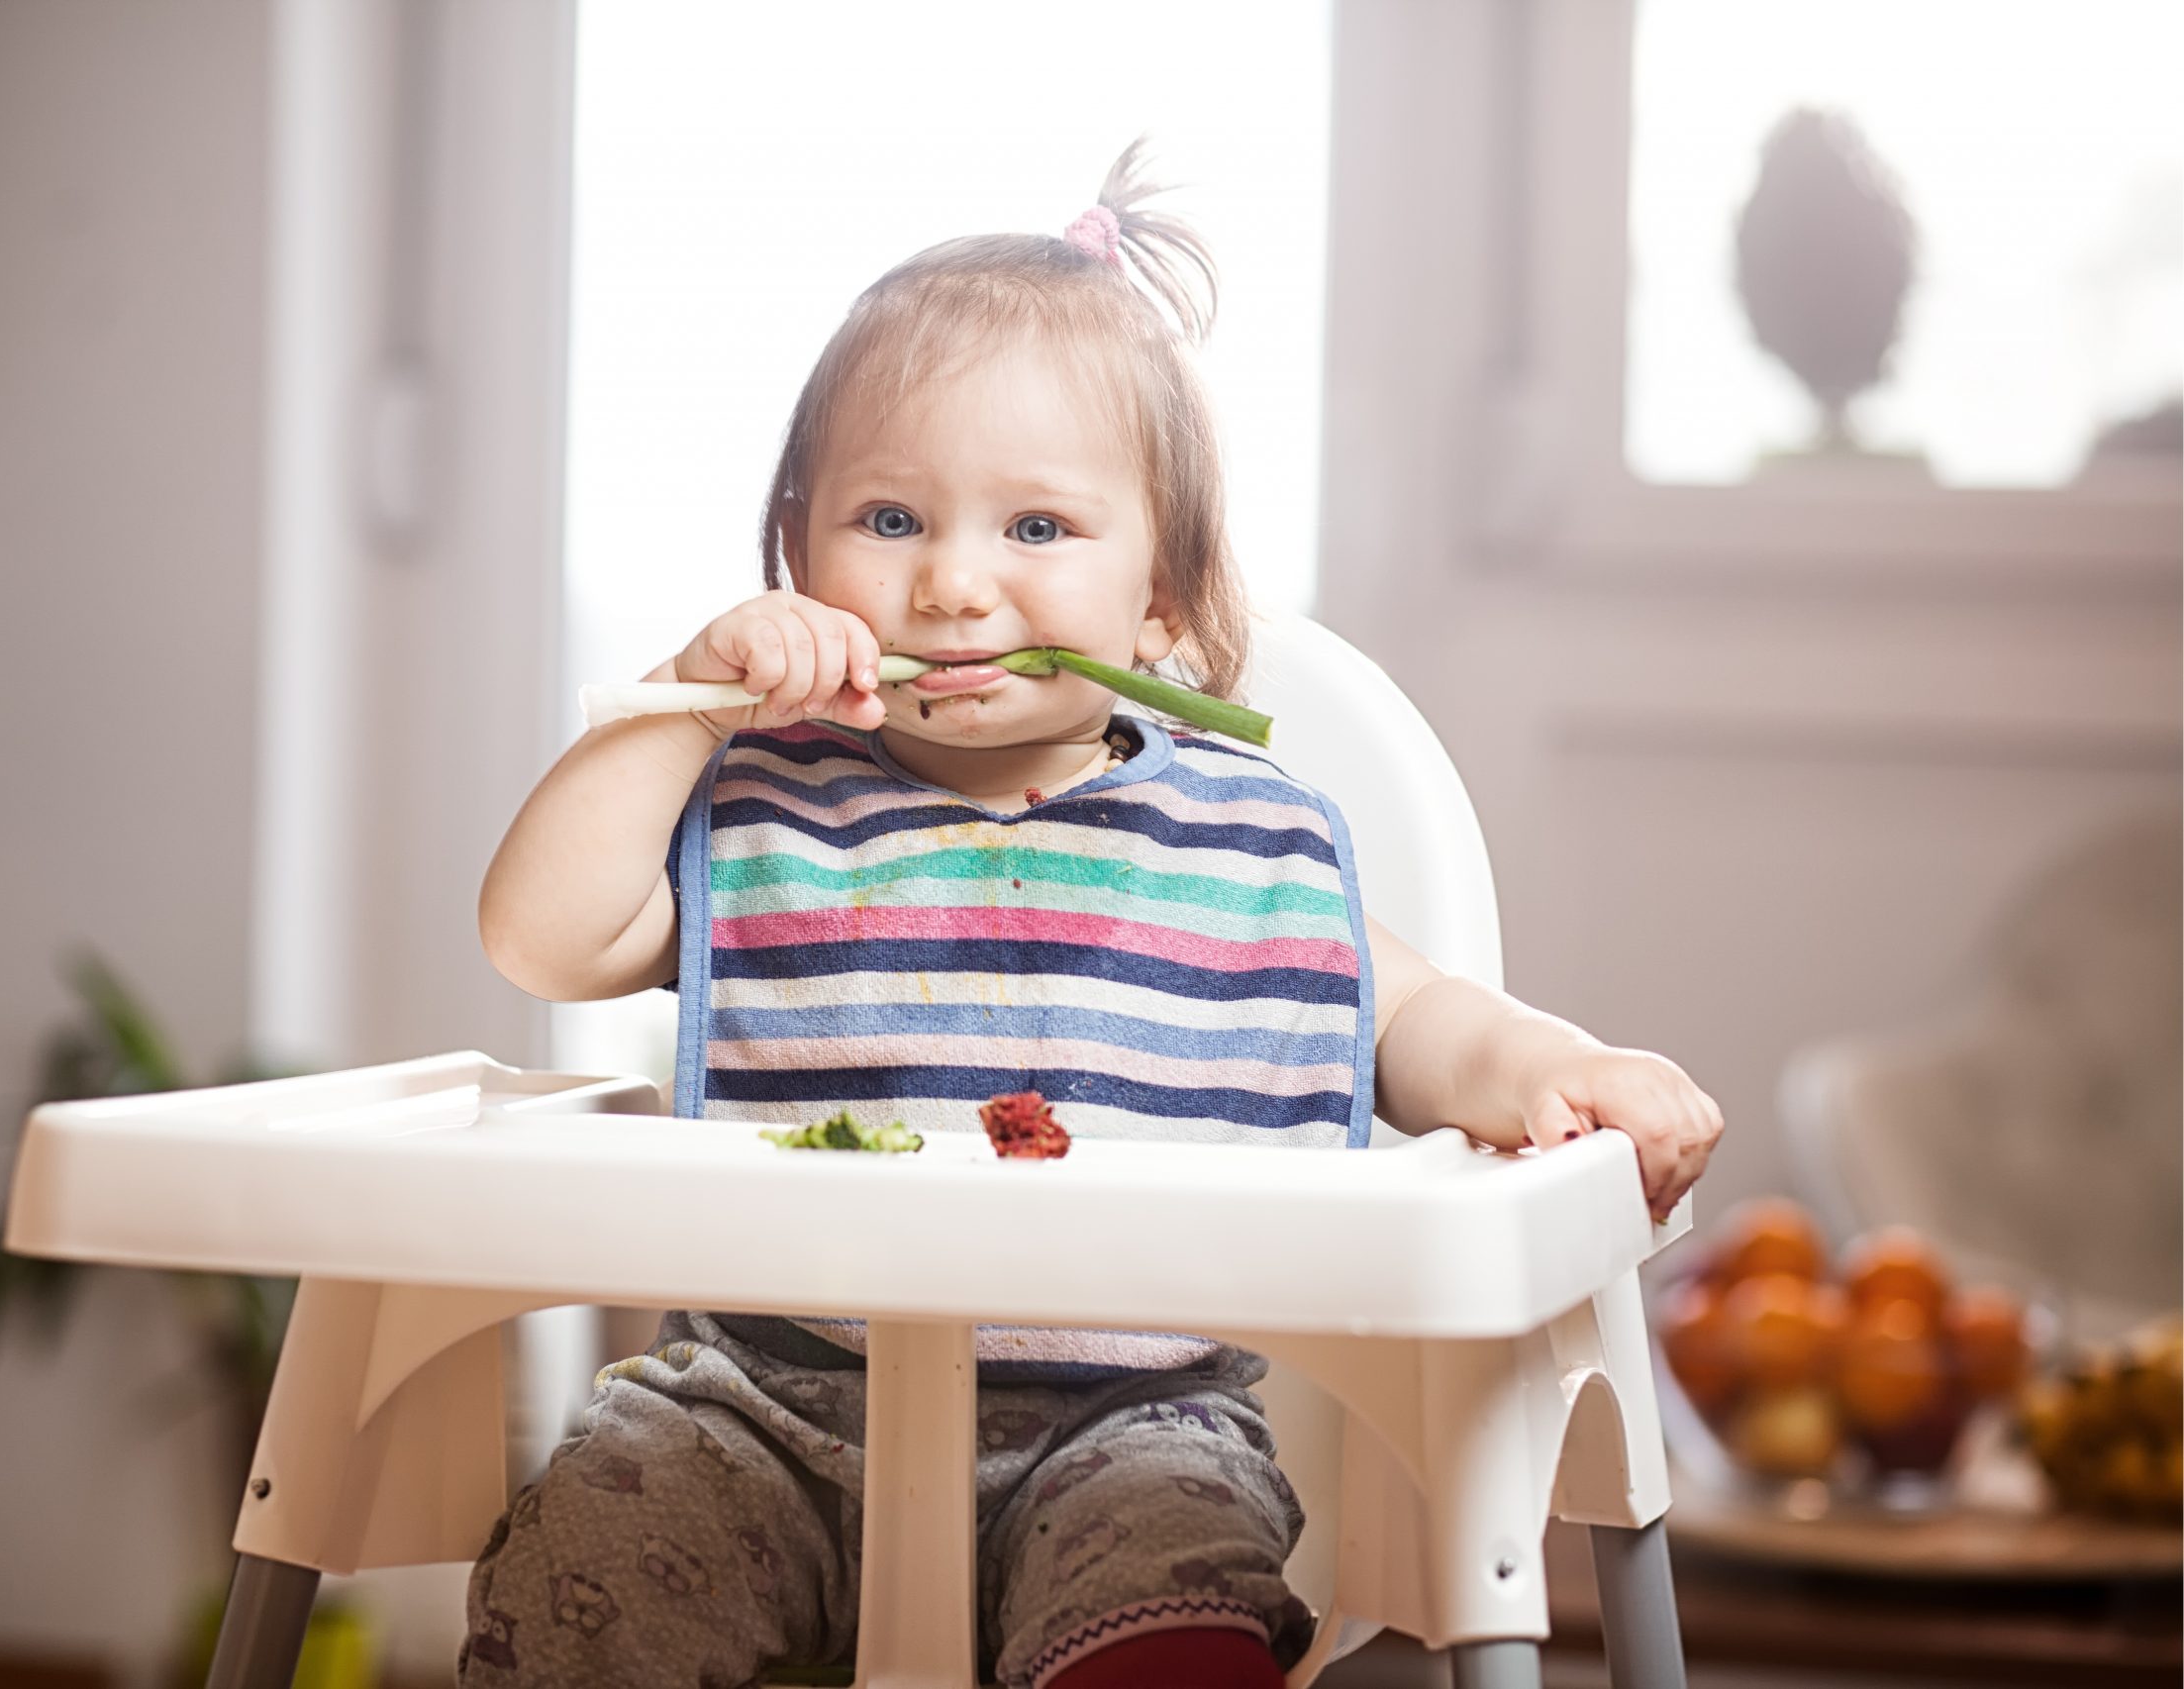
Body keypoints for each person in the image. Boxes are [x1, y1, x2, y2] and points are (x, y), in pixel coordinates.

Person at [466, 141, 1723, 1689]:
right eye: (889, 519)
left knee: (1175, 1612)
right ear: (796, 548)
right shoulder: (768, 806)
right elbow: (538, 935)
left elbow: (1405, 1017)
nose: (952, 586)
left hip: (1126, 1429)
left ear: (1168, 604)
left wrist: (1552, 1066)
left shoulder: (1237, 846)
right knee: (590, 1558)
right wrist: (687, 702)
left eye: (1038, 531)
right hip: (763, 1408)